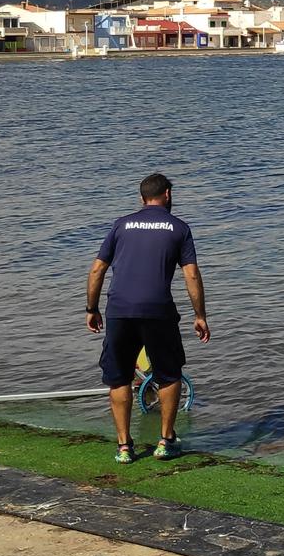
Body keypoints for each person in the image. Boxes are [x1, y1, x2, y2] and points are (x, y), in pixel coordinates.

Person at [86, 171, 208, 464]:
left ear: (142, 198)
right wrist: (200, 314)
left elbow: (97, 269)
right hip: (158, 310)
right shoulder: (179, 228)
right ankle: (166, 441)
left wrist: (91, 308)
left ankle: (124, 446)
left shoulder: (121, 225)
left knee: (119, 377)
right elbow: (190, 273)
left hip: (119, 309)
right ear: (167, 195)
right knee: (169, 374)